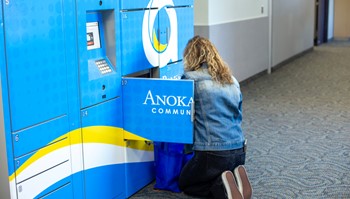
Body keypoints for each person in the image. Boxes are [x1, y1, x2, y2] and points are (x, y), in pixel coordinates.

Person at [178, 35, 252, 199]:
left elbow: (182, 117)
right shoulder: (232, 80)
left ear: (191, 57)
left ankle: (222, 186)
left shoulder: (190, 80)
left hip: (212, 153)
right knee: (214, 171)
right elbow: (238, 113)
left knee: (186, 183)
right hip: (239, 150)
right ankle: (234, 178)